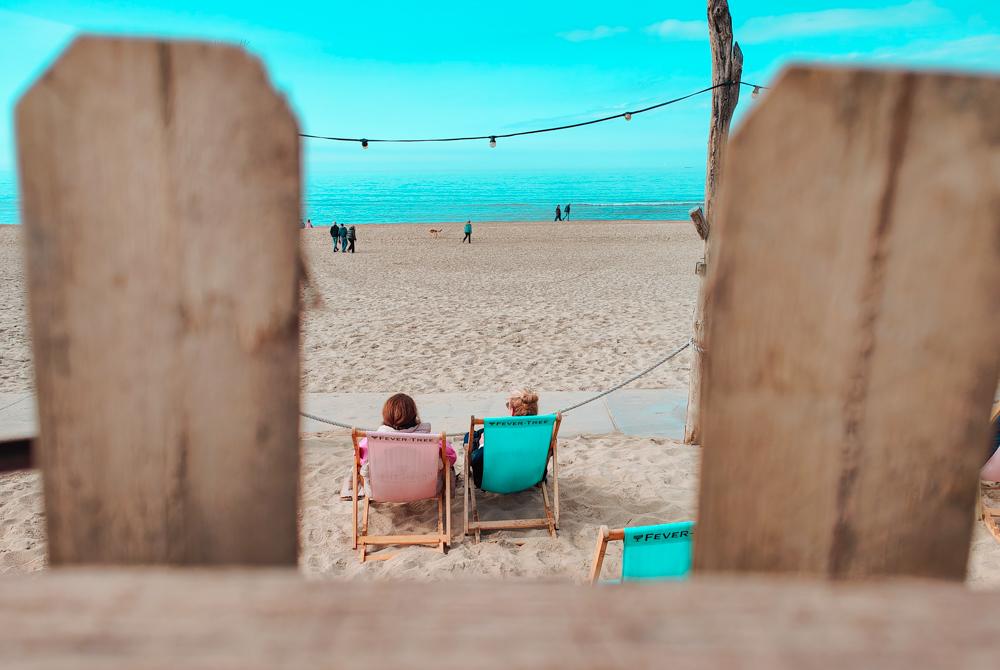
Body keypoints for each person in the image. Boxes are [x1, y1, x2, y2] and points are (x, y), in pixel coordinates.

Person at [344, 393, 458, 499]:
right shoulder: (431, 441)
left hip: (381, 490)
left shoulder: (372, 441)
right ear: (414, 415)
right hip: (425, 489)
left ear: (386, 416)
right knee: (445, 465)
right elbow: (451, 457)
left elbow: (357, 457)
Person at [466, 389, 540, 489]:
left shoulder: (500, 433)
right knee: (478, 433)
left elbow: (476, 460)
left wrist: (482, 445)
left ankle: (472, 439)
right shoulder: (541, 433)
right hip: (530, 478)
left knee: (471, 437)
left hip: (492, 481)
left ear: (513, 411)